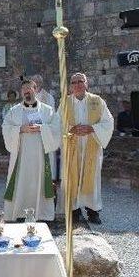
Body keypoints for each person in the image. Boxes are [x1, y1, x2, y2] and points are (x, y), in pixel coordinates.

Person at [2, 80, 61, 221]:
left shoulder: (47, 110)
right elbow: (6, 127)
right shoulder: (14, 111)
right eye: (24, 89)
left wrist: (42, 128)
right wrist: (20, 129)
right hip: (21, 156)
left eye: (29, 88)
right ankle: (19, 212)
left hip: (41, 156)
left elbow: (57, 127)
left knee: (39, 182)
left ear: (36, 89)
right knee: (21, 182)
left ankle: (41, 213)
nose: (26, 91)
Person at [60, 73, 113, 224]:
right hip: (72, 146)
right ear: (70, 86)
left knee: (92, 178)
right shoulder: (65, 103)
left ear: (86, 84)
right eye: (74, 82)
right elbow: (57, 123)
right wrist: (71, 129)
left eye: (80, 81)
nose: (77, 84)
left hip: (92, 145)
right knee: (72, 177)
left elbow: (108, 122)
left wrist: (92, 128)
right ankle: (74, 211)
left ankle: (93, 211)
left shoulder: (97, 101)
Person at [31, 74, 57, 180]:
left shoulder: (49, 97)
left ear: (41, 83)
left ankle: (49, 181)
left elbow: (51, 114)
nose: (35, 84)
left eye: (37, 82)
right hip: (32, 132)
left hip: (45, 132)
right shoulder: (28, 97)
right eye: (33, 82)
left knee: (47, 158)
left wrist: (41, 125)